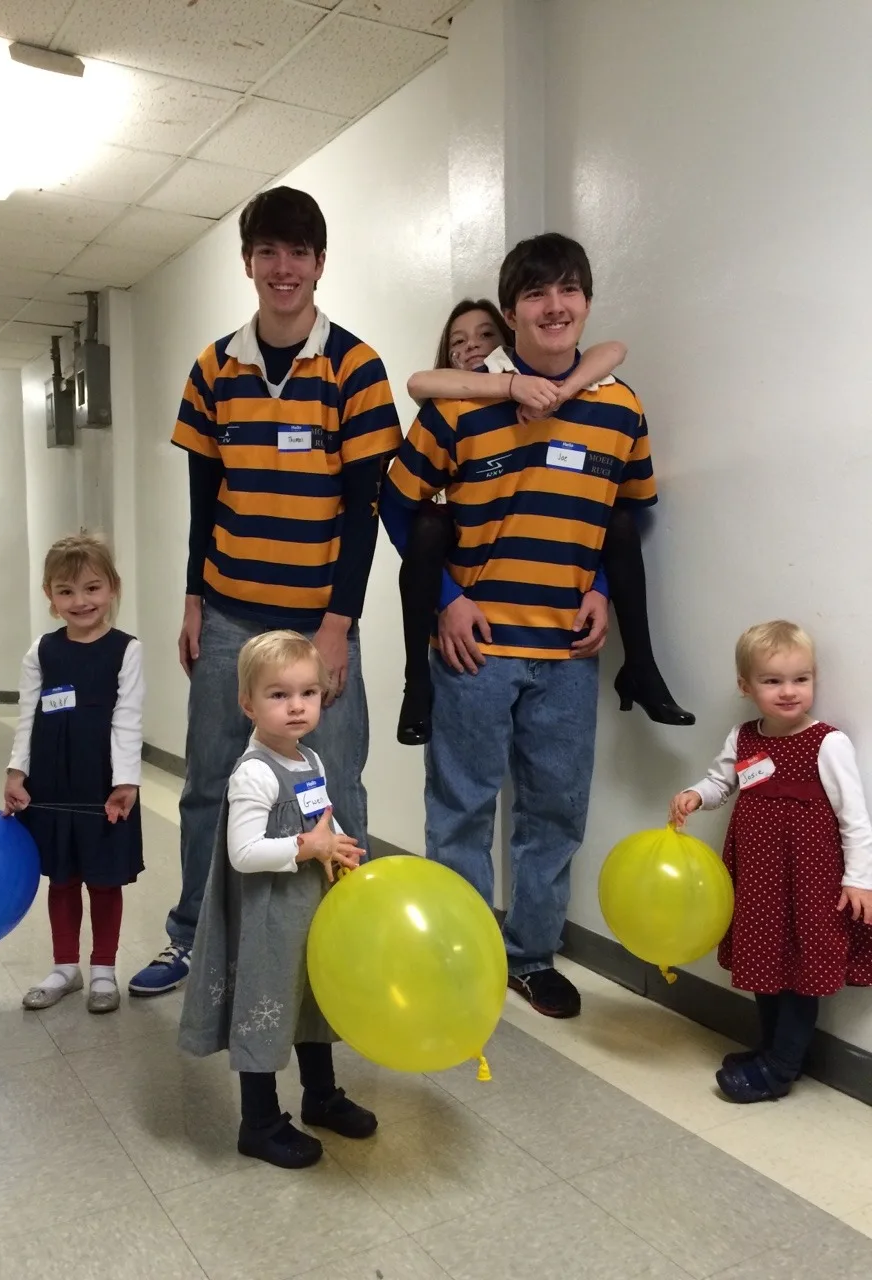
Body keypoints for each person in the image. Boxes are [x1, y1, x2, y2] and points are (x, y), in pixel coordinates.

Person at [129, 187, 401, 997]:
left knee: (337, 783)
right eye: (268, 252)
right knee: (211, 780)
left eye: (299, 253)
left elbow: (365, 512)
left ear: (321, 263)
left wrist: (336, 626)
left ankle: (340, 946)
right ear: (248, 261)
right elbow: (202, 500)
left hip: (320, 620)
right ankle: (194, 938)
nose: (283, 269)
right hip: (229, 617)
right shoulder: (213, 368)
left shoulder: (355, 366)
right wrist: (191, 603)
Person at [383, 232, 660, 1019]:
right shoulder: (457, 410)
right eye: (537, 294)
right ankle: (461, 958)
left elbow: (627, 513)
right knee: (462, 809)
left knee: (554, 812)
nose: (555, 306)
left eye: (569, 290)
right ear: (511, 314)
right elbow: (398, 508)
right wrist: (447, 599)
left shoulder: (621, 408)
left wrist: (602, 586)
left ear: (586, 303)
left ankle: (531, 957)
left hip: (568, 656)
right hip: (474, 649)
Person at [390, 297, 692, 745]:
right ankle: (416, 681)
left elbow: (612, 349)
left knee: (621, 523)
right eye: (459, 342)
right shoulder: (453, 401)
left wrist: (601, 588)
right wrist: (511, 389)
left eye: (484, 337)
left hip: (562, 634)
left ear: (506, 335)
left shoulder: (609, 399)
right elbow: (418, 384)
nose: (473, 348)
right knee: (428, 528)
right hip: (473, 603)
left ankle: (642, 666)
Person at [178, 630, 377, 1169]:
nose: (296, 707)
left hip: (309, 911)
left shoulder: (309, 758)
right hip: (268, 919)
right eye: (278, 695)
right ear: (248, 704)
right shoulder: (254, 774)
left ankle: (321, 1096)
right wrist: (305, 845)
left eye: (307, 694)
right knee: (264, 1013)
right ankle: (259, 1122)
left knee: (314, 1002)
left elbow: (321, 823)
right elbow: (243, 852)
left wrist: (333, 850)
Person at [669, 620, 872, 1103]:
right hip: (759, 879)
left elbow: (856, 819)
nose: (788, 691)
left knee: (801, 970)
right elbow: (722, 783)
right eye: (772, 681)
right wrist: (696, 794)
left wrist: (859, 879)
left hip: (811, 881)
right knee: (763, 962)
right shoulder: (744, 738)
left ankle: (781, 1069)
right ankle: (769, 1050)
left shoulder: (827, 743)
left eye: (800, 679)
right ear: (746, 686)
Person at [4, 534, 144, 1015]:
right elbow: (27, 716)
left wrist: (125, 783)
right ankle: (65, 966)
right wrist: (16, 771)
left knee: (104, 878)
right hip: (51, 780)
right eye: (65, 591)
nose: (80, 601)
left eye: (91, 588)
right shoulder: (40, 652)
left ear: (112, 588)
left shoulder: (126, 650)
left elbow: (129, 718)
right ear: (49, 595)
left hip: (103, 783)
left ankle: (103, 968)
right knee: (61, 878)